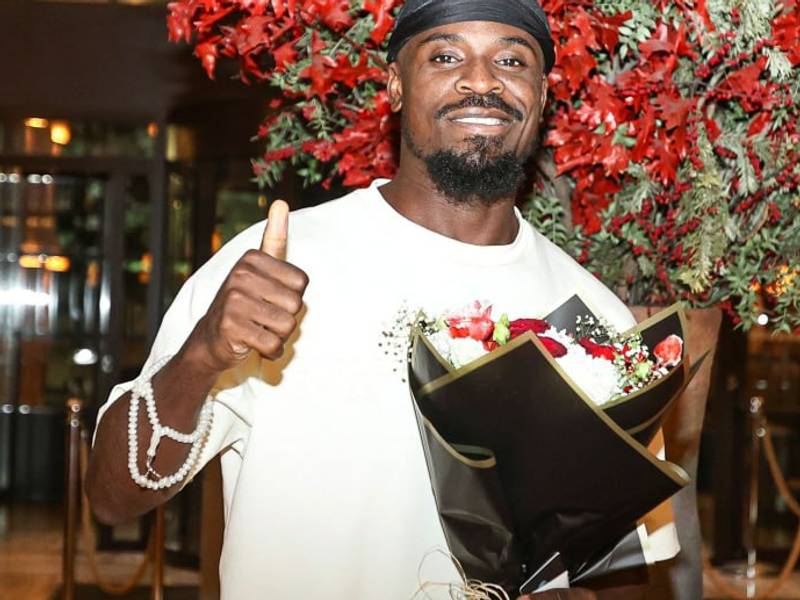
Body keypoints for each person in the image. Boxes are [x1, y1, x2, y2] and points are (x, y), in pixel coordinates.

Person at [86, 0, 639, 597]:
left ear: (543, 93)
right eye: (446, 56)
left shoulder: (596, 322)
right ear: (395, 85)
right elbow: (113, 497)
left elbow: (623, 570)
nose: (481, 81)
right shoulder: (279, 264)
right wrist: (202, 356)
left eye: (511, 60)